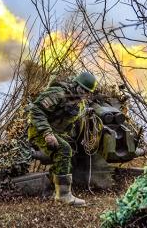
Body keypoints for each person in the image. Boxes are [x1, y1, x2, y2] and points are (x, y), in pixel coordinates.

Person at [28, 72, 97, 207]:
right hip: (39, 131)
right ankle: (64, 196)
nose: (84, 93)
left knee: (67, 156)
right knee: (64, 150)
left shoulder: (79, 104)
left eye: (87, 92)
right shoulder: (58, 93)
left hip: (56, 133)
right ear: (76, 84)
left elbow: (71, 120)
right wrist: (47, 133)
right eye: (82, 89)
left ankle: (49, 192)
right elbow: (36, 110)